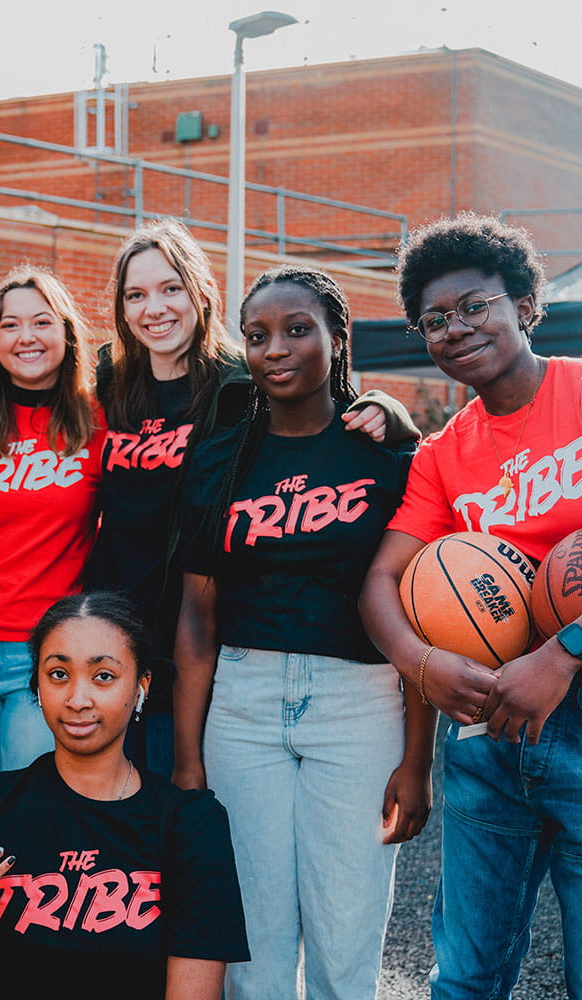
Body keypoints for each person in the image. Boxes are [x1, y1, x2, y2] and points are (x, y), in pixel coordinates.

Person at [172, 265, 435, 1000]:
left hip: (360, 701)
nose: (276, 349)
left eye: (297, 329)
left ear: (337, 338)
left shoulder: (387, 455)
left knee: (346, 934)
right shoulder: (224, 458)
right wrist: (189, 759)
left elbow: (421, 610)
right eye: (257, 336)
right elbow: (197, 614)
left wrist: (419, 760)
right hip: (245, 700)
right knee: (251, 935)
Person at [86, 219, 416, 776]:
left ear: (201, 293)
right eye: (136, 294)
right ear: (121, 308)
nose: (155, 308)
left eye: (171, 288)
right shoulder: (110, 383)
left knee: (177, 813)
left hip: (196, 641)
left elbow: (332, 409)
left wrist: (390, 409)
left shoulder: (243, 382)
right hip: (115, 630)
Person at [360, 213, 582, 999]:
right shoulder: (443, 456)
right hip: (490, 733)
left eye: (475, 306)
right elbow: (381, 585)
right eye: (436, 320)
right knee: (465, 979)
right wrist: (423, 663)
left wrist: (563, 653)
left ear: (525, 304)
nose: (455, 329)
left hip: (576, 701)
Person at [0, 592, 250, 1000]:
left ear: (142, 684)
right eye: (58, 674)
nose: (78, 699)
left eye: (103, 676)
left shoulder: (191, 825)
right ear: (36, 684)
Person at [0, 267, 105, 795]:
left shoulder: (98, 420)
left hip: (49, 652)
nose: (27, 337)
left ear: (66, 332)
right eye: (10, 325)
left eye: (41, 322)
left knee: (33, 804)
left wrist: (375, 401)